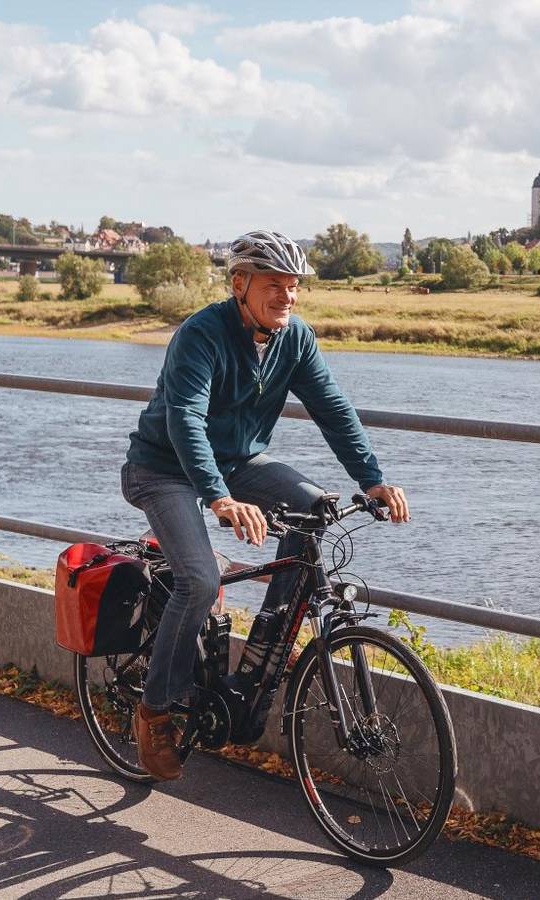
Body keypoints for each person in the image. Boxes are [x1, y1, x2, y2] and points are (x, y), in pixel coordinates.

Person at [122, 230, 411, 781]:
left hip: (238, 463)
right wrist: (218, 497)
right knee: (201, 580)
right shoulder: (200, 334)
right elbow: (185, 419)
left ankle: (259, 659)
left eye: (294, 286)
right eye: (274, 285)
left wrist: (371, 479)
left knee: (316, 510)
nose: (287, 296)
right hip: (164, 469)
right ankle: (153, 711)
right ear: (240, 285)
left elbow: (333, 408)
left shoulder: (294, 338)